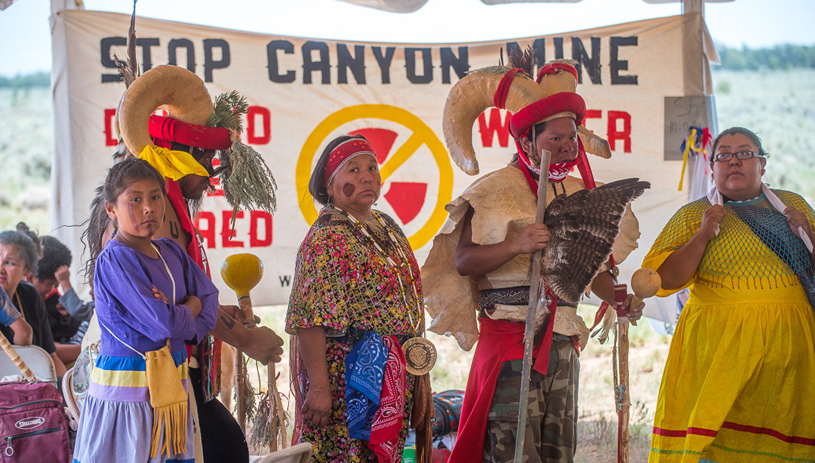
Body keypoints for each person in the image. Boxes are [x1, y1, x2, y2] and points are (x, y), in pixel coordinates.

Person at [422, 58, 645, 463]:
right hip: (510, 341)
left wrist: (614, 296)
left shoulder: (579, 190)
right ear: (526, 141)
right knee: (511, 453)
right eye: (554, 139)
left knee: (558, 452)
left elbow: (586, 272)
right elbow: (464, 261)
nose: (566, 146)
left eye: (571, 138)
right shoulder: (492, 191)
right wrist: (515, 245)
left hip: (561, 342)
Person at [86, 64, 285, 463]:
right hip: (141, 386)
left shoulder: (164, 219)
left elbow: (197, 294)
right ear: (180, 155)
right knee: (225, 448)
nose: (213, 169)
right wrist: (243, 339)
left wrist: (199, 306)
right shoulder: (144, 230)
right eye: (208, 154)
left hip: (171, 372)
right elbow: (163, 318)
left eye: (153, 198)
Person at [642, 127, 815, 462]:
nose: (734, 161)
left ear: (763, 164)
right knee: (712, 440)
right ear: (712, 168)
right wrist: (704, 234)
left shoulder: (792, 206)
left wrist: (807, 234)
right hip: (717, 352)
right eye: (724, 155)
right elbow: (661, 280)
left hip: (789, 350)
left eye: (745, 153)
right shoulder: (694, 215)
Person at [286, 135, 426, 462]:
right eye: (353, 170)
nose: (367, 176)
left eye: (372, 167)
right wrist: (319, 388)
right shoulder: (327, 236)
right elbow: (310, 319)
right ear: (330, 186)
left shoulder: (385, 224)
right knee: (347, 455)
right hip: (346, 378)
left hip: (389, 372)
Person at [73, 157, 219, 462]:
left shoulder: (172, 252)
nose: (148, 207)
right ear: (111, 209)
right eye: (135, 199)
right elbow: (165, 323)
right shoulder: (116, 260)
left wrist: (183, 313)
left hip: (171, 397)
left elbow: (210, 299)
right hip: (128, 402)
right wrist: (190, 306)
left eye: (155, 197)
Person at [0, 223, 68, 375]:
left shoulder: (29, 295)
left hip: (29, 386)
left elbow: (50, 355)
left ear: (28, 270)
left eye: (9, 263)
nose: (0, 268)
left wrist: (63, 393)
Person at [26, 235, 85, 365]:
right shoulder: (23, 300)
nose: (56, 288)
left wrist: (67, 317)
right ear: (30, 278)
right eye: (52, 283)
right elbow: (46, 350)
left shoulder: (53, 298)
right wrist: (87, 348)